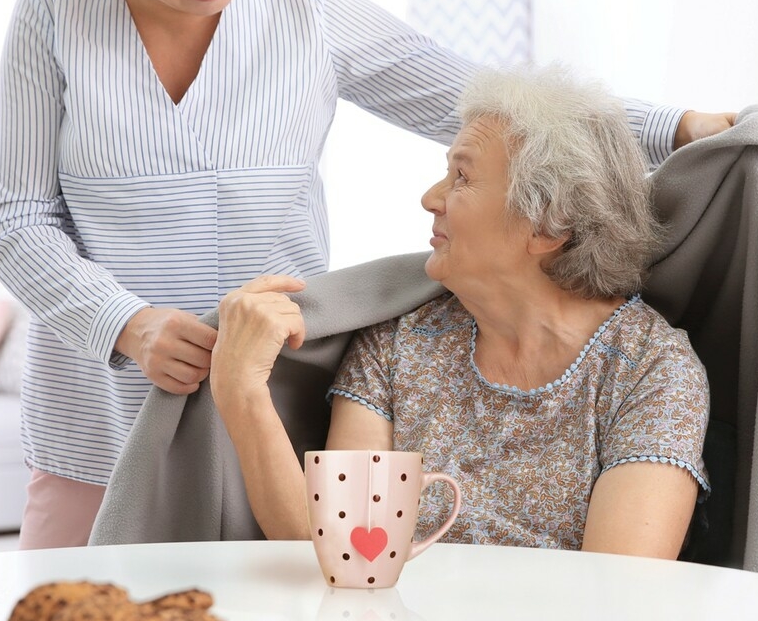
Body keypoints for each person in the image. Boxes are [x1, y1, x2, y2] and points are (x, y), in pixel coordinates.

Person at [0, 0, 729, 550]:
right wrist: (130, 326)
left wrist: (676, 127)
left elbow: (471, 94)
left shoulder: (304, 6)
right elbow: (15, 223)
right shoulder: (52, 15)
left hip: (258, 413)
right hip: (97, 415)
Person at [210, 63, 710, 557]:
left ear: (548, 226)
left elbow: (620, 596)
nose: (431, 198)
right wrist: (242, 390)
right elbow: (338, 552)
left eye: (462, 177)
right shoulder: (399, 343)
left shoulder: (651, 369)